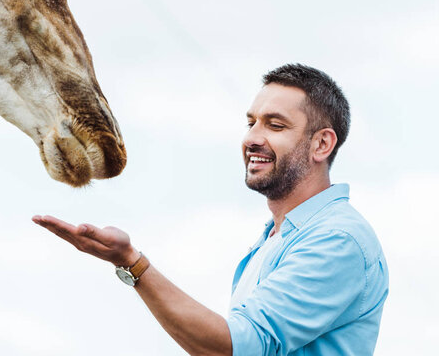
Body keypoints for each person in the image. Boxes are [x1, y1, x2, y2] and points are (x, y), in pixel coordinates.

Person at [32, 64, 389, 356]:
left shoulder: (336, 239)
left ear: (322, 143)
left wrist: (132, 262)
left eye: (275, 125)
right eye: (251, 122)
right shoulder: (277, 236)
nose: (252, 138)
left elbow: (235, 347)